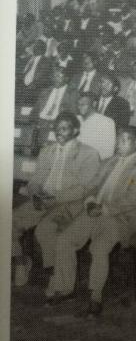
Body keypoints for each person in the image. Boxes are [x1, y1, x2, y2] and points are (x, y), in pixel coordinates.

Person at [45, 126, 136, 315]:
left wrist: (102, 209)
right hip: (96, 211)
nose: (118, 144)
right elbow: (92, 186)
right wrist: (89, 201)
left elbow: (132, 199)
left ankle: (95, 297)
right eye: (117, 139)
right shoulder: (109, 161)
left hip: (122, 218)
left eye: (124, 140)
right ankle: (65, 289)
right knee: (64, 239)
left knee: (99, 248)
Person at [12, 113, 100, 287]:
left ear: (75, 130)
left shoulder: (89, 153)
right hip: (43, 200)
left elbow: (83, 189)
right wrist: (35, 194)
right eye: (56, 128)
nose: (58, 132)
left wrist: (53, 199)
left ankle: (54, 275)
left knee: (45, 230)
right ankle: (22, 262)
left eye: (64, 128)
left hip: (70, 204)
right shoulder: (47, 151)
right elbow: (36, 180)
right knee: (8, 223)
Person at [77, 91, 116, 160]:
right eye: (78, 104)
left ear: (94, 104)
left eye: (83, 105)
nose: (79, 107)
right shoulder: (76, 119)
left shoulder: (106, 122)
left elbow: (108, 153)